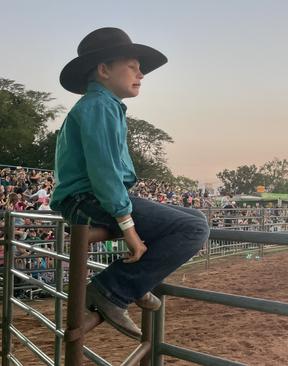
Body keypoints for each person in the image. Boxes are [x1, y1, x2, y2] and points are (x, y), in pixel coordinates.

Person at [51, 27, 209, 339]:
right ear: (104, 69)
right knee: (195, 230)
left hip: (90, 197)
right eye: (133, 66)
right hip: (89, 199)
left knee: (197, 217)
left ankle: (136, 282)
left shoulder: (101, 105)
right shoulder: (99, 106)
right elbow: (105, 173)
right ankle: (112, 289)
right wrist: (130, 231)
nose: (141, 74)